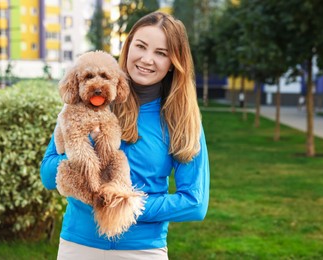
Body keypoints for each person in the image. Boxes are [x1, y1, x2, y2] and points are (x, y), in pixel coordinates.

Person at [40, 11, 210, 260]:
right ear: (128, 47)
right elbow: (47, 173)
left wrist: (124, 205)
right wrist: (83, 147)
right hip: (78, 245)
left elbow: (195, 203)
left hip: (143, 250)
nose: (147, 59)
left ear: (174, 62)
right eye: (140, 46)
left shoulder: (182, 120)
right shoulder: (86, 100)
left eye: (161, 53)